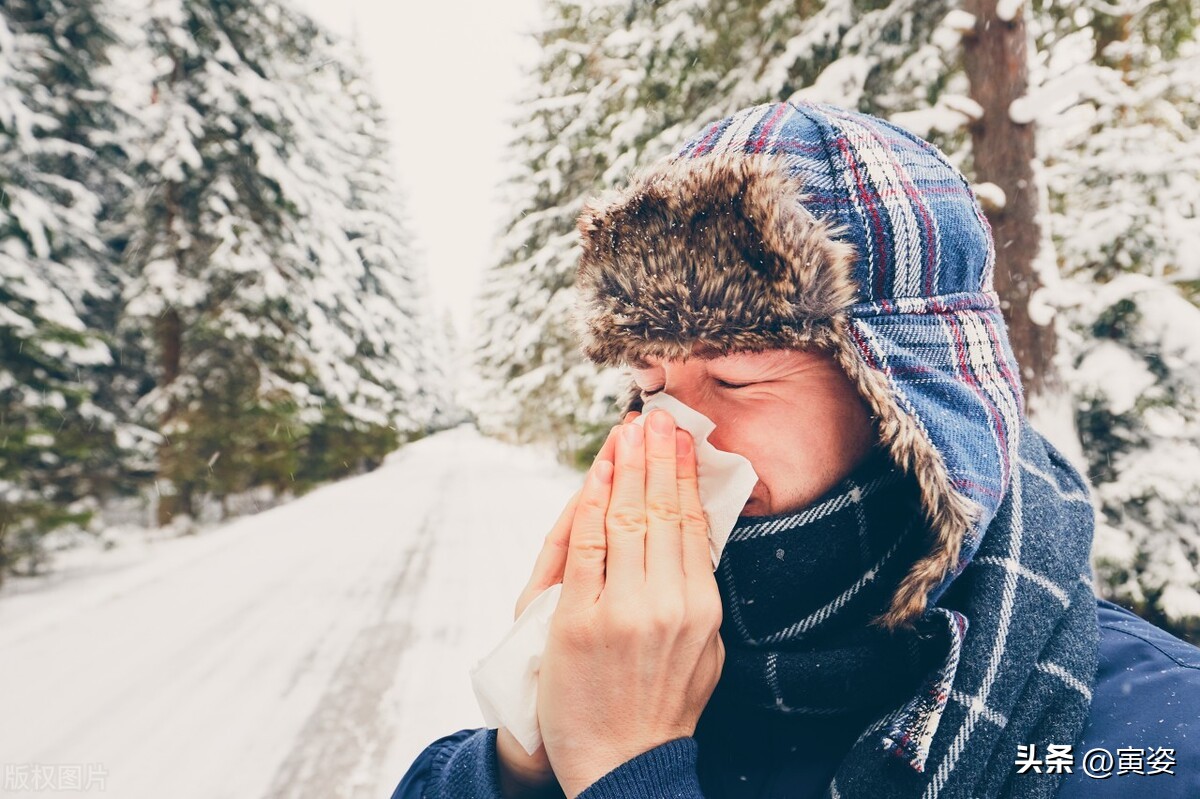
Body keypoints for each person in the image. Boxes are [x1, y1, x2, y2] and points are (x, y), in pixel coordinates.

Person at [392, 101, 1199, 799]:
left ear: (909, 404)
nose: (666, 429)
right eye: (647, 383)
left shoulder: (1150, 734)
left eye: (737, 381)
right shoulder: (639, 655)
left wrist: (626, 767)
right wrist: (524, 760)